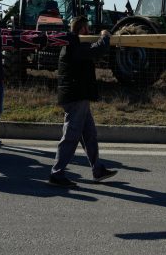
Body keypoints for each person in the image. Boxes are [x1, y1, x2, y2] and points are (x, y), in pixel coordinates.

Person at [48, 16, 117, 188]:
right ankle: (57, 174)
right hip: (76, 97)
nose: (89, 30)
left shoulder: (74, 43)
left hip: (79, 96)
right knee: (71, 135)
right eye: (87, 28)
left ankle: (97, 169)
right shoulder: (73, 45)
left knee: (89, 135)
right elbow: (97, 50)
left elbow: (91, 51)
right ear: (81, 30)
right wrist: (105, 36)